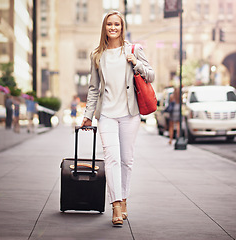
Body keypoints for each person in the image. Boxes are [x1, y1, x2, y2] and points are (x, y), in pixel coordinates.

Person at [81, 10, 154, 226]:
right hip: (107, 115)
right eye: (109, 24)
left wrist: (136, 63)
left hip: (130, 114)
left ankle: (123, 199)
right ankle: (115, 205)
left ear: (122, 27)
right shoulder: (97, 55)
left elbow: (151, 75)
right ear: (104, 27)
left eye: (117, 24)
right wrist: (87, 116)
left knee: (126, 160)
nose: (113, 28)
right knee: (111, 159)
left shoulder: (133, 49)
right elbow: (94, 88)